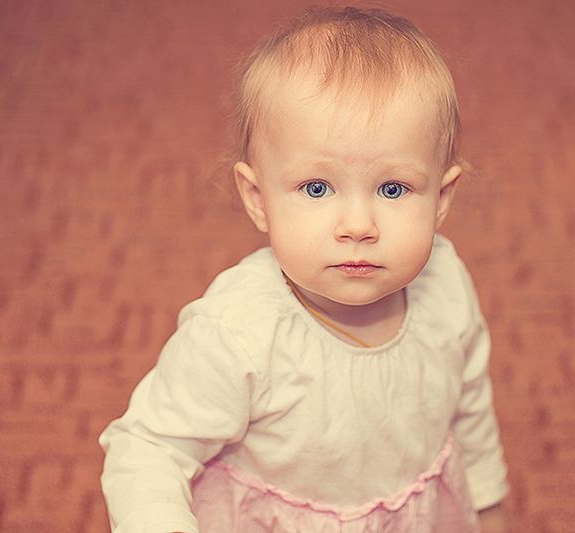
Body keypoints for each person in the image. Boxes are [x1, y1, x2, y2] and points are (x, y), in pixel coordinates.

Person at [99, 6, 508, 532]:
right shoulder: (236, 332)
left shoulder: (446, 286)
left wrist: (488, 504)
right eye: (317, 188)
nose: (358, 225)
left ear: (442, 199)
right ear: (257, 198)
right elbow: (148, 447)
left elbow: (470, 408)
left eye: (393, 189)